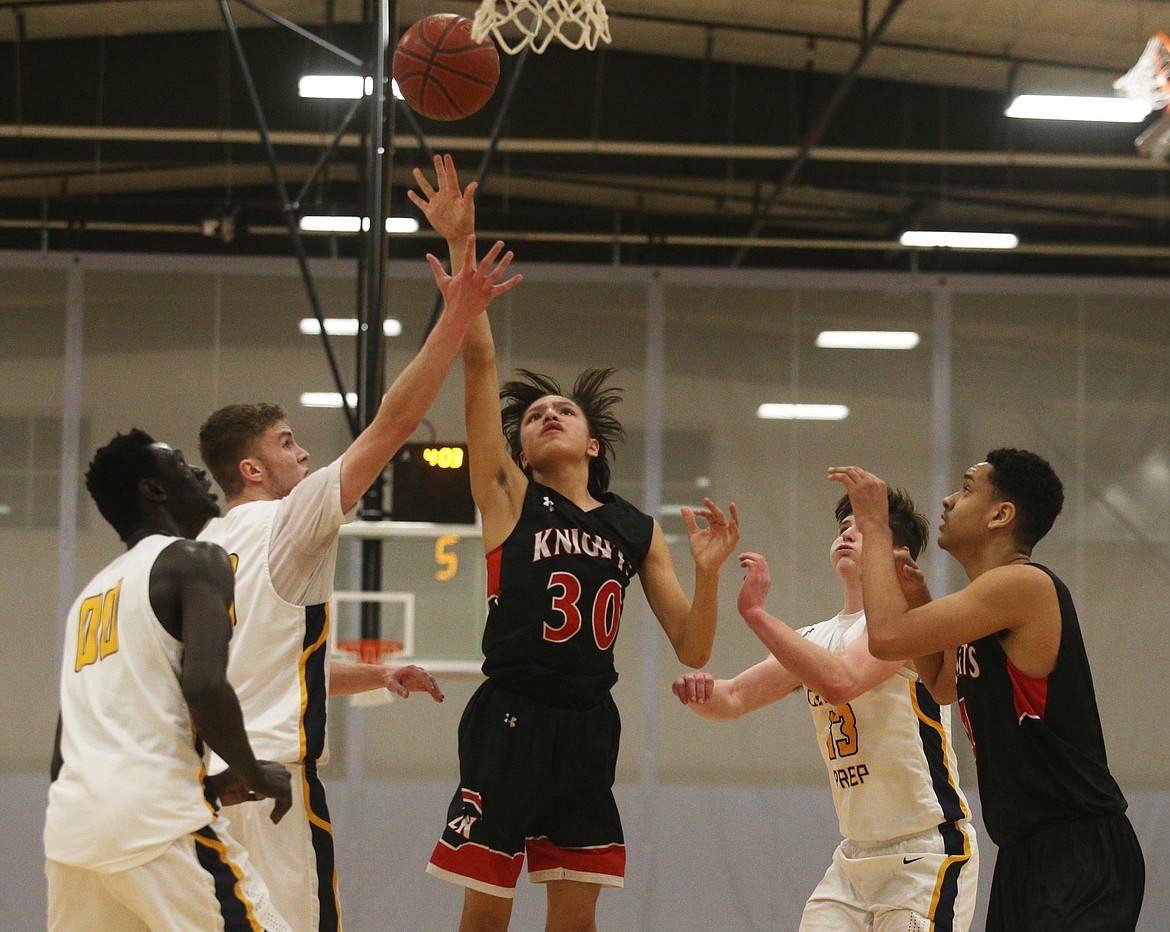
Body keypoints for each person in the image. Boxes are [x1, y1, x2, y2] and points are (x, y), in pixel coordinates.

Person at [410, 154, 741, 931]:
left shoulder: (634, 527)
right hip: (511, 714)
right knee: (486, 911)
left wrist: (708, 573)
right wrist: (464, 250)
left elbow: (693, 649)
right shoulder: (507, 495)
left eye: (564, 411)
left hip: (590, 721)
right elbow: (482, 361)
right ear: (519, 451)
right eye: (533, 417)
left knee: (575, 916)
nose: (548, 415)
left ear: (594, 444)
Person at [196, 240, 521, 932]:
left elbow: (269, 668)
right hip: (273, 785)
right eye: (286, 442)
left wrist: (375, 673)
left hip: (199, 793)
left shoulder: (197, 549)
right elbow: (395, 424)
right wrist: (455, 316)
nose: (303, 452)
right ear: (252, 469)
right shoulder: (290, 518)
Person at [830, 450, 1145, 930]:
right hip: (1025, 852)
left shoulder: (1022, 586)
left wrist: (874, 525)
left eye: (967, 489)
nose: (948, 499)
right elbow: (939, 686)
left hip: (1077, 847)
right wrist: (917, 597)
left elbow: (888, 637)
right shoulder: (985, 606)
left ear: (1001, 515)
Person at [672, 489, 979, 931]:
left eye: (863, 528)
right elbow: (734, 698)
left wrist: (758, 614)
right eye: (842, 527)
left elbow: (840, 682)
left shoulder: (906, 624)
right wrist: (700, 692)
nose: (848, 533)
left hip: (926, 850)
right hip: (854, 857)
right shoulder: (815, 637)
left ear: (900, 553)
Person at [44, 429, 294, 931]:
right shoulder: (194, 559)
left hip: (73, 838)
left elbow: (61, 755)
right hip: (158, 829)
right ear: (155, 490)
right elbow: (204, 688)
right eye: (180, 463)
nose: (198, 472)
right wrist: (253, 771)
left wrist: (208, 782)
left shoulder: (89, 597)